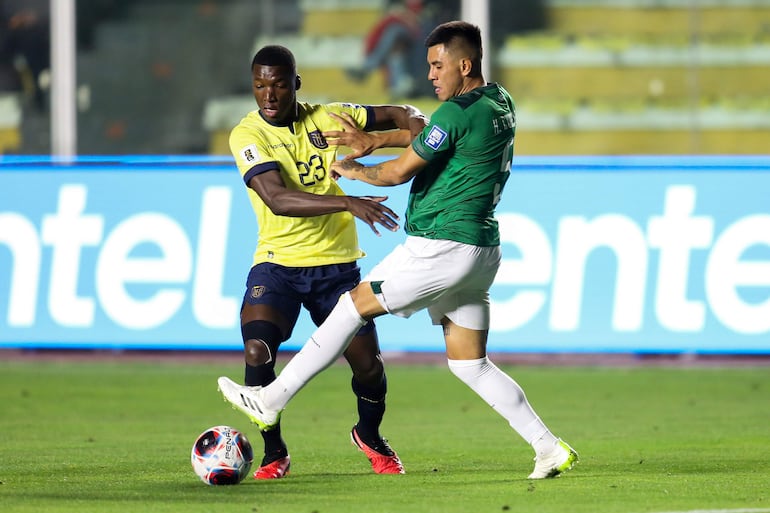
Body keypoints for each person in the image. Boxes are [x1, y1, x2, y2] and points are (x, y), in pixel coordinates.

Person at [218, 22, 579, 479]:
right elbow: (429, 131)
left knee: (351, 309)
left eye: (436, 64)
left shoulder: (451, 115)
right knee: (471, 364)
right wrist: (374, 139)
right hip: (482, 250)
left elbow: (395, 174)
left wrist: (353, 172)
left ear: (464, 65)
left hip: (441, 246)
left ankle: (271, 400)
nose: (429, 74)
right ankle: (548, 448)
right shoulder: (499, 101)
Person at [223, 44, 428, 479]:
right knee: (258, 350)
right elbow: (276, 198)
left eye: (278, 84)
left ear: (295, 84)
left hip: (335, 269)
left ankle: (369, 436)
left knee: (369, 367)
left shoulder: (331, 118)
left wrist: (420, 126)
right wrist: (347, 202)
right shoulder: (248, 135)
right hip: (277, 264)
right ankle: (274, 452)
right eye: (259, 85)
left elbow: (402, 113)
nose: (269, 95)